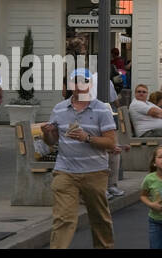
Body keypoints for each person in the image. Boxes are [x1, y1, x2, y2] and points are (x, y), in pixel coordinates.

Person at [44, 68, 117, 248]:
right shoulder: (59, 109)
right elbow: (52, 142)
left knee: (99, 218)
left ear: (90, 84)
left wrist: (87, 138)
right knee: (63, 218)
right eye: (75, 82)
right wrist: (48, 134)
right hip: (65, 171)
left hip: (95, 171)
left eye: (84, 81)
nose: (79, 86)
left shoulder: (101, 109)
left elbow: (110, 142)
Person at [129, 84, 162, 158]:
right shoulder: (136, 104)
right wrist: (157, 114)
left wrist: (158, 113)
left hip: (160, 129)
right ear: (135, 93)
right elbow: (155, 111)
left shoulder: (147, 103)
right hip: (148, 132)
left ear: (147, 94)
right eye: (139, 91)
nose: (141, 93)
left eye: (144, 92)